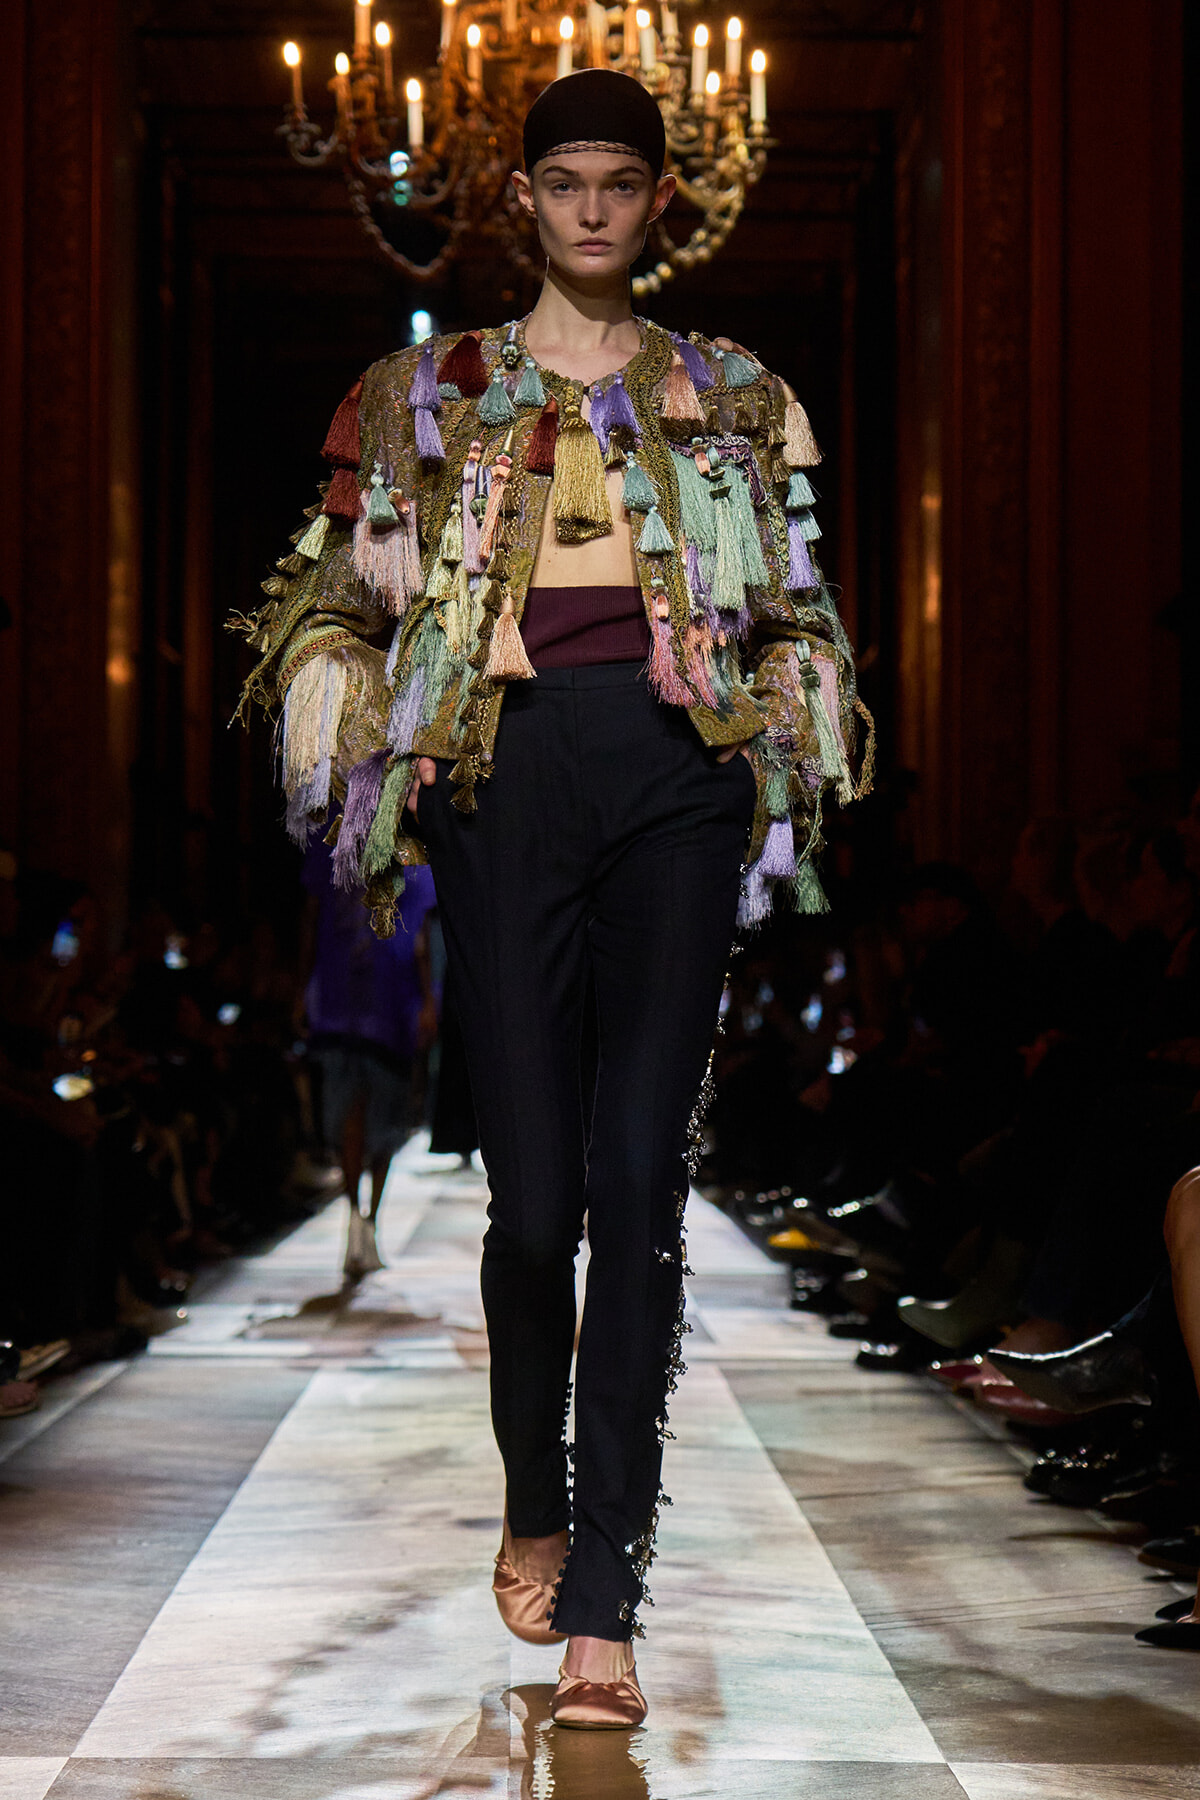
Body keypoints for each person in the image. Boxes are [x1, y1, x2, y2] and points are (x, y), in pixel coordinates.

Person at [234, 67, 864, 1728]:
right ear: (522, 197)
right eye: (565, 181)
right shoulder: (420, 392)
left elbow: (801, 617)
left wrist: (780, 718)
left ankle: (606, 1599)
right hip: (503, 784)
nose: (593, 209)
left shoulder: (739, 397)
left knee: (640, 1180)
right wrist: (368, 726)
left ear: (662, 201)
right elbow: (324, 615)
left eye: (623, 183)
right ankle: (533, 1489)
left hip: (673, 778)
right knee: (531, 1207)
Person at [298, 836, 437, 1276]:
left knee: (387, 1118)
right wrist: (303, 983)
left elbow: (422, 931)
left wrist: (428, 999)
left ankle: (369, 1221)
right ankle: (355, 1218)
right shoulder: (331, 836)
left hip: (390, 1000)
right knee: (350, 1113)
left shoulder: (410, 839)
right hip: (341, 998)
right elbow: (312, 912)